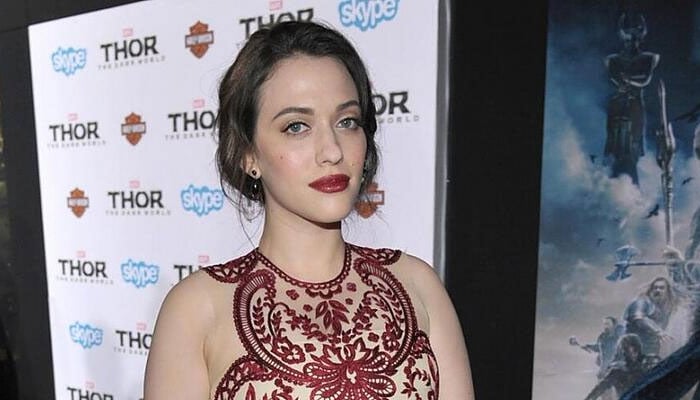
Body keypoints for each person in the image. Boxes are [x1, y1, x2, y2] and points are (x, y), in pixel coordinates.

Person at [143, 21, 474, 400]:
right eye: (297, 126)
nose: (332, 150)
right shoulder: (196, 309)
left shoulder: (418, 286)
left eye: (347, 122)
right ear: (248, 154)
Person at [603, 13, 659, 186]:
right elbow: (613, 79)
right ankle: (615, 184)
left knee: (633, 143)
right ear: (623, 39)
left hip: (635, 104)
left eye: (635, 39)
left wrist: (628, 81)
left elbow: (645, 80)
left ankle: (630, 186)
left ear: (640, 39)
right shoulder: (612, 60)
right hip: (617, 105)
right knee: (615, 145)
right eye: (628, 39)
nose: (632, 43)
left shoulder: (649, 58)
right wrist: (625, 82)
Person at [584, 334, 660, 400]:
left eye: (634, 348)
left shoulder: (651, 361)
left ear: (638, 348)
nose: (632, 352)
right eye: (626, 349)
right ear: (623, 351)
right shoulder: (618, 371)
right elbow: (600, 388)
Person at [623, 276, 677, 356]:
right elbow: (639, 319)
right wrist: (658, 331)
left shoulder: (664, 308)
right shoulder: (642, 302)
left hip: (651, 348)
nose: (657, 290)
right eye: (655, 288)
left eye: (661, 288)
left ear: (667, 291)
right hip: (633, 348)